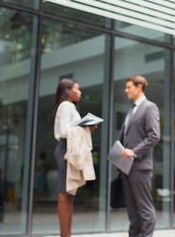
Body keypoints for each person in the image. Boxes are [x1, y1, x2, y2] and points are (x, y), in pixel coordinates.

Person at [53, 78, 97, 237]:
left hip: (70, 148)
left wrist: (86, 129)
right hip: (66, 149)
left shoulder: (71, 107)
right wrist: (84, 128)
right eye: (76, 89)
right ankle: (65, 235)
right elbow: (64, 131)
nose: (80, 92)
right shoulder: (66, 106)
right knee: (64, 194)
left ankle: (67, 234)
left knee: (69, 195)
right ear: (67, 91)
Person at [119, 75, 160, 237]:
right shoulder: (132, 110)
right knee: (132, 211)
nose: (126, 90)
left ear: (139, 87)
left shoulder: (150, 107)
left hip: (141, 166)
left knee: (144, 208)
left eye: (129, 87)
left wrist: (134, 152)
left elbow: (154, 136)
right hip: (127, 166)